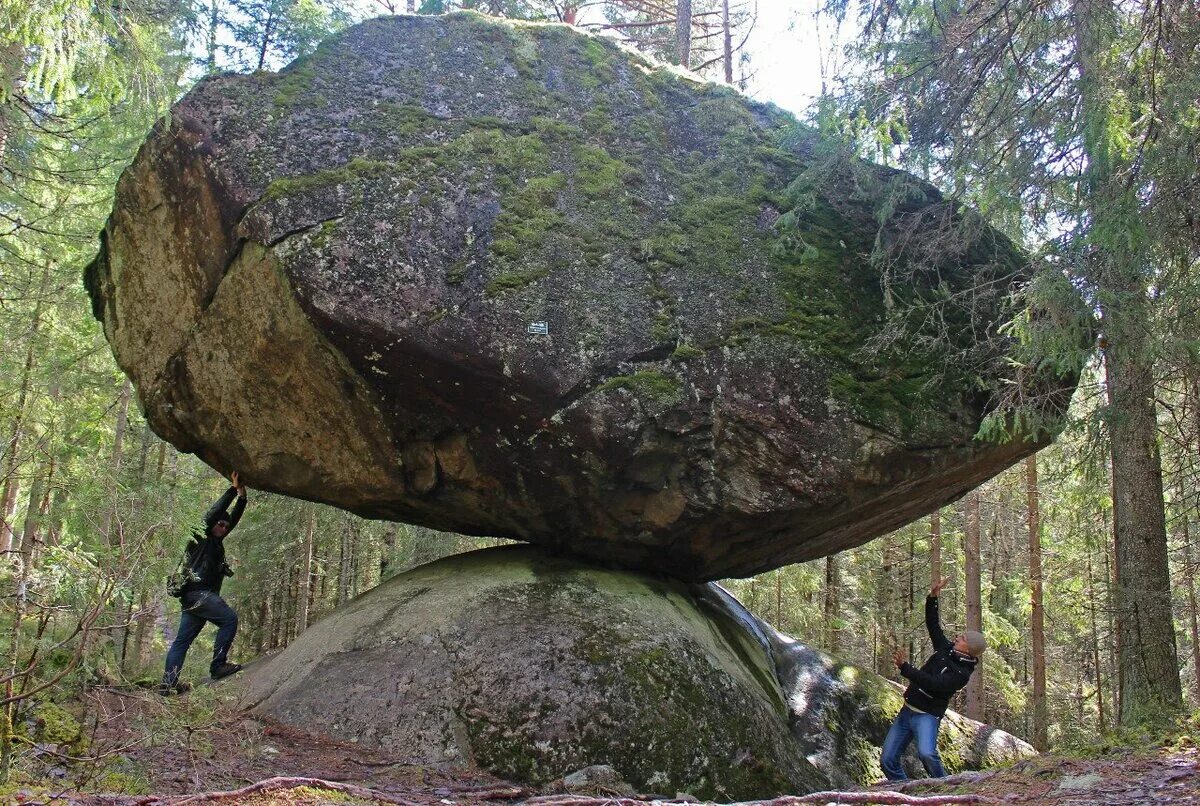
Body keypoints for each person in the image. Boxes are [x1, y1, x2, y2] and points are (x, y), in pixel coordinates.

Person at [880, 575, 987, 780]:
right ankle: (906, 793)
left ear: (969, 649)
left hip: (927, 716)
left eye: (962, 638)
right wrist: (933, 598)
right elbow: (933, 626)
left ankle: (945, 789)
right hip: (907, 711)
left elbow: (934, 684)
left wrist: (905, 668)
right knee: (888, 760)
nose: (957, 637)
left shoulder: (961, 674)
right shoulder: (947, 649)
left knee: (927, 754)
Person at [160, 471, 248, 695]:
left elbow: (232, 518)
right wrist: (231, 489)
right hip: (198, 594)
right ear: (212, 525)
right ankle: (218, 666)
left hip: (194, 600)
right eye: (220, 525)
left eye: (226, 527)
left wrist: (242, 496)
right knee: (229, 619)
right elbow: (214, 512)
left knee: (181, 642)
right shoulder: (199, 536)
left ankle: (167, 686)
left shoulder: (217, 541)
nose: (223, 529)